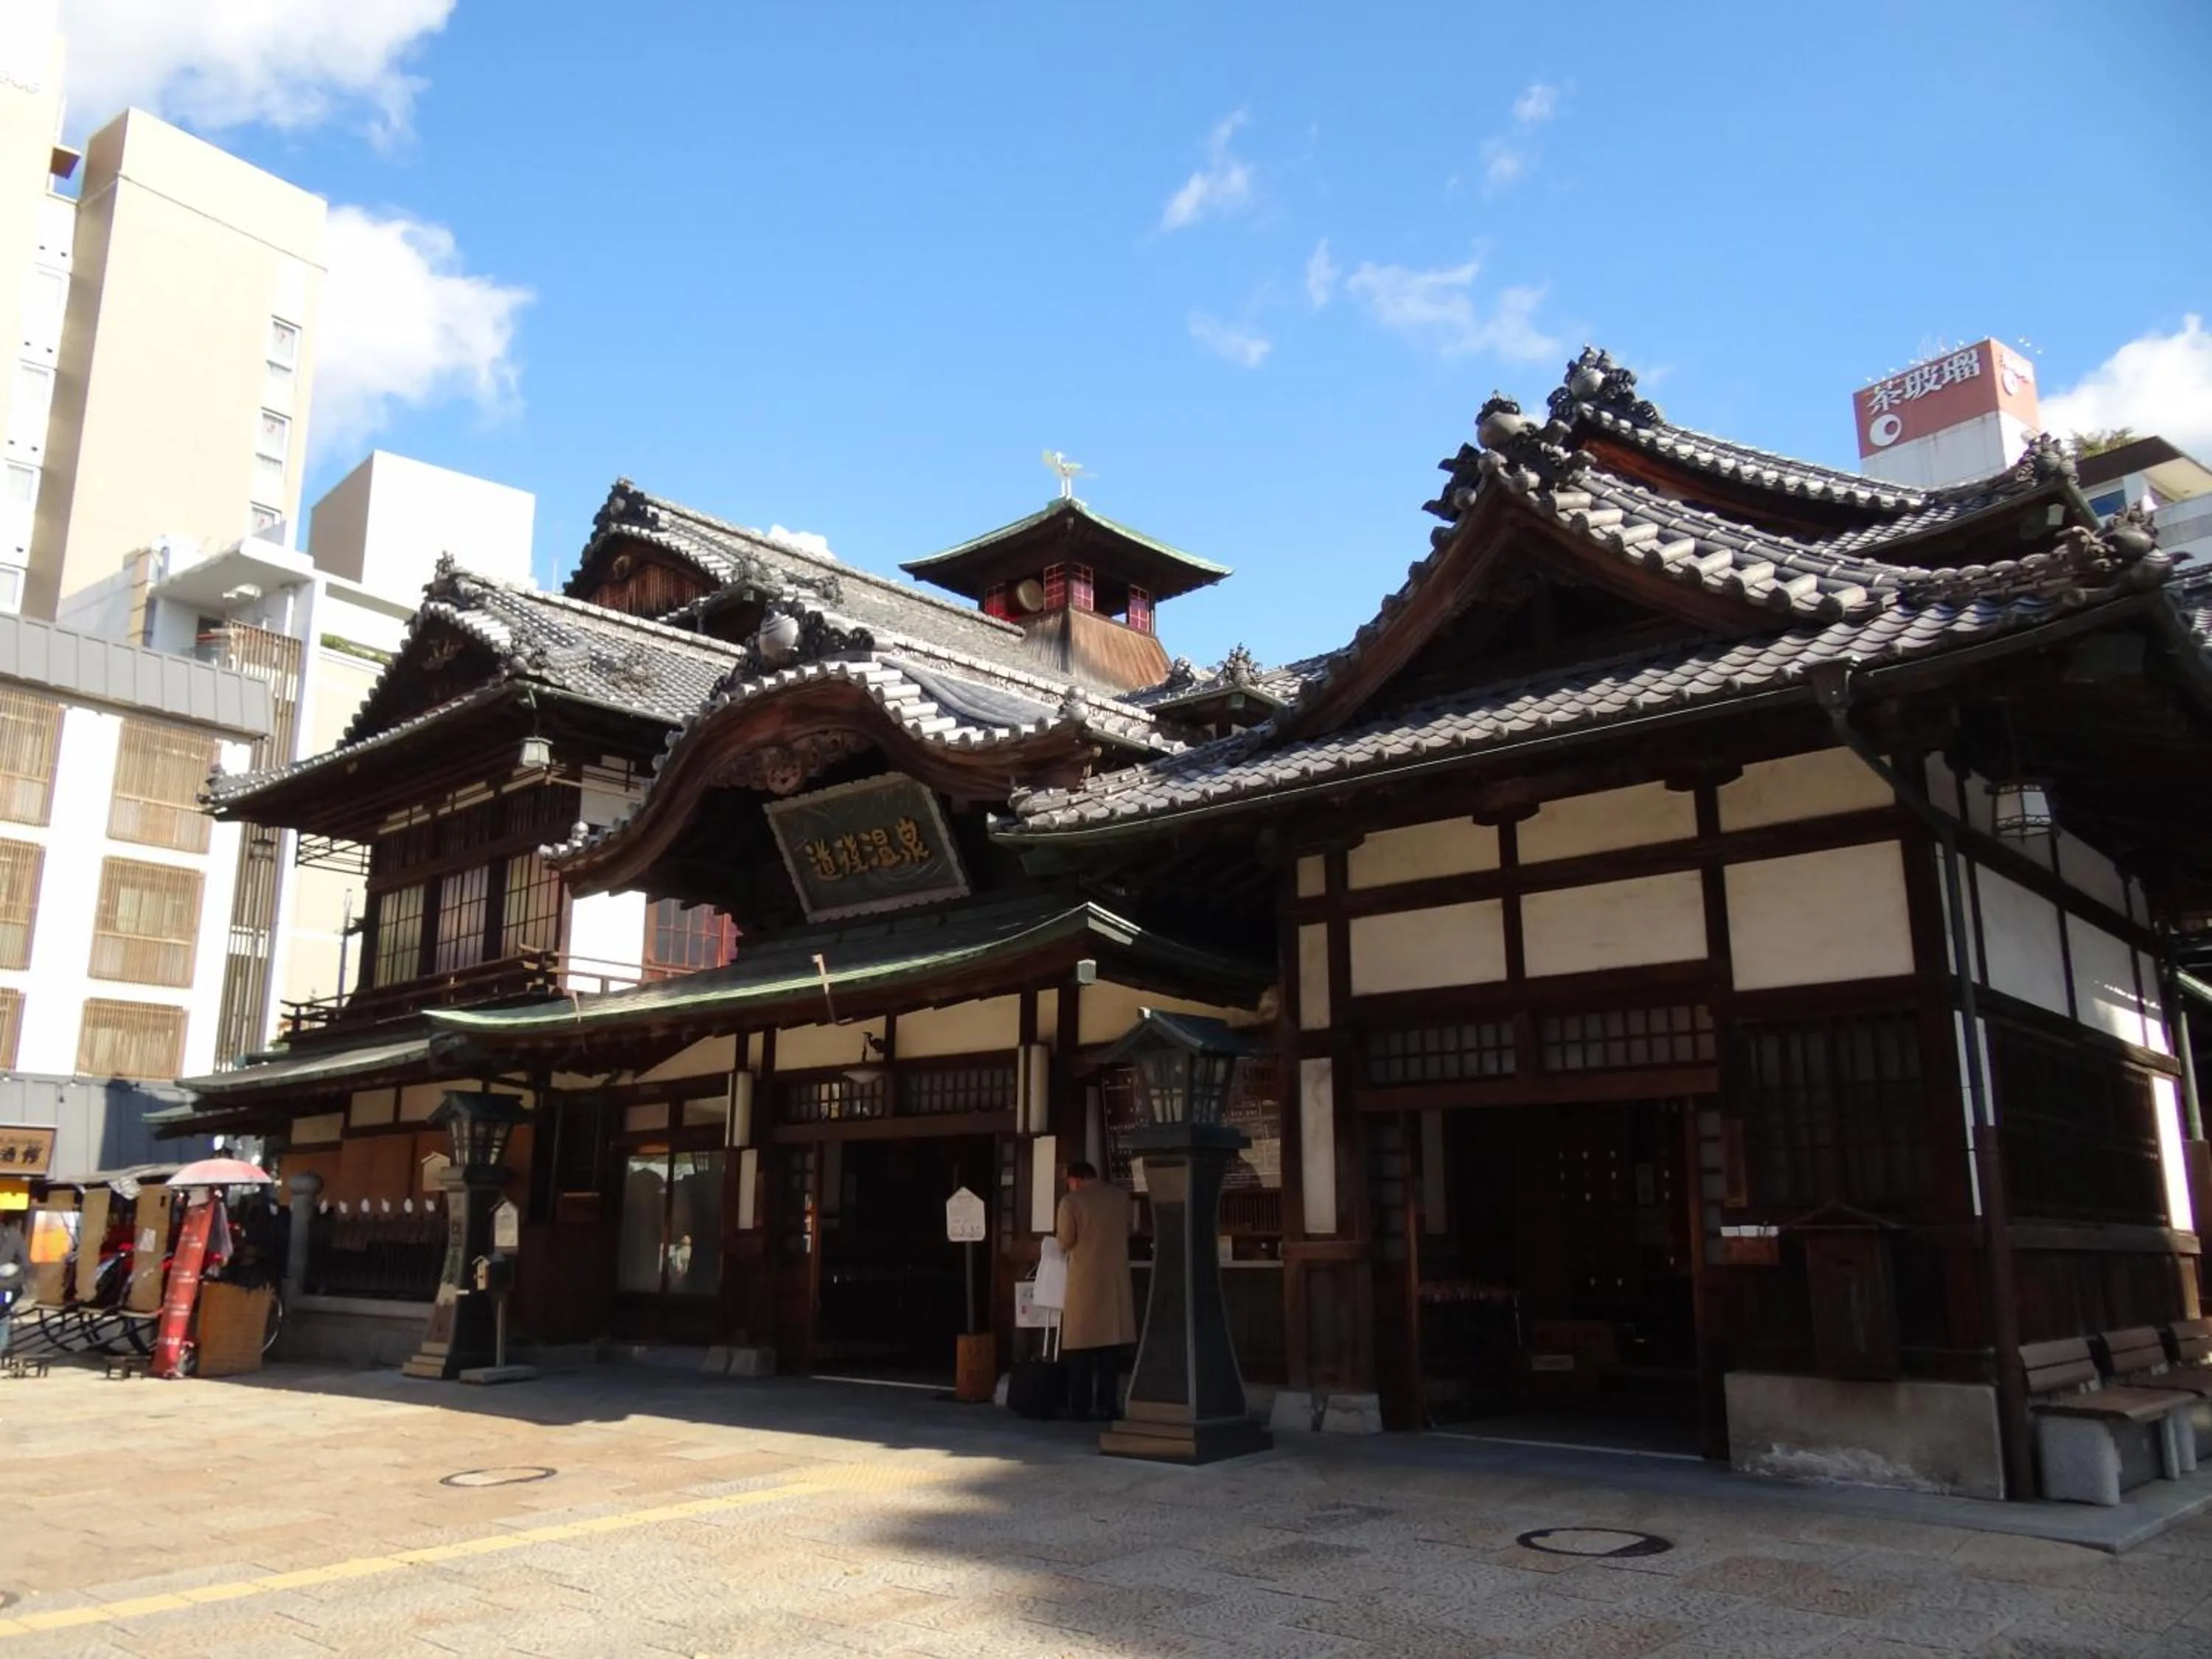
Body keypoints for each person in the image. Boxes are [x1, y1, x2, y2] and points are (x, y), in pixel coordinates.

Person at [1053, 1160, 1135, 1422]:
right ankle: (1108, 1405)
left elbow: (1065, 1241)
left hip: (1084, 1279)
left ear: (1075, 1179)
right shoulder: (1121, 1198)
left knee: (1080, 1349)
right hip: (1114, 1281)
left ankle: (1079, 1407)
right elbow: (1128, 1231)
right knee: (1109, 1349)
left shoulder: (1071, 1202)